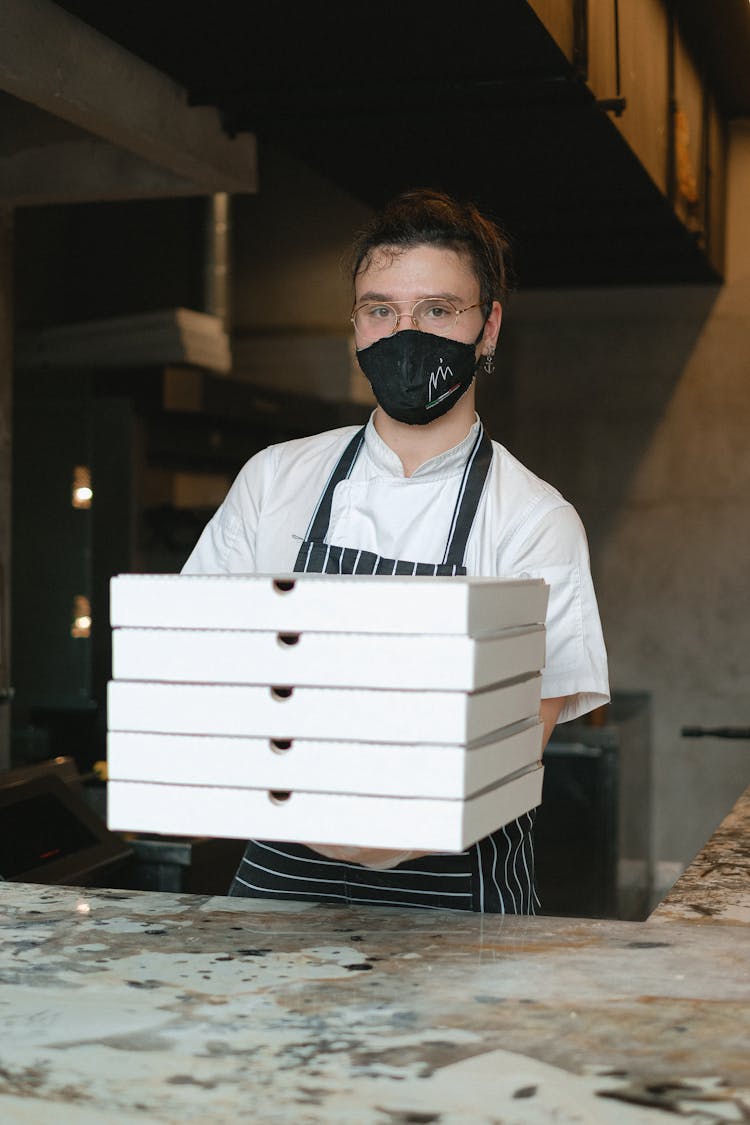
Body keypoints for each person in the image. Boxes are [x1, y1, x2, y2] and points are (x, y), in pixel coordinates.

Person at [181, 187, 610, 913]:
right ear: (355, 323)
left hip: (454, 909)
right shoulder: (276, 481)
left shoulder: (535, 522)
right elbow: (200, 679)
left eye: (437, 310)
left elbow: (504, 757)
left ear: (489, 326)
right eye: (381, 309)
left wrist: (301, 773)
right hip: (278, 897)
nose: (404, 334)